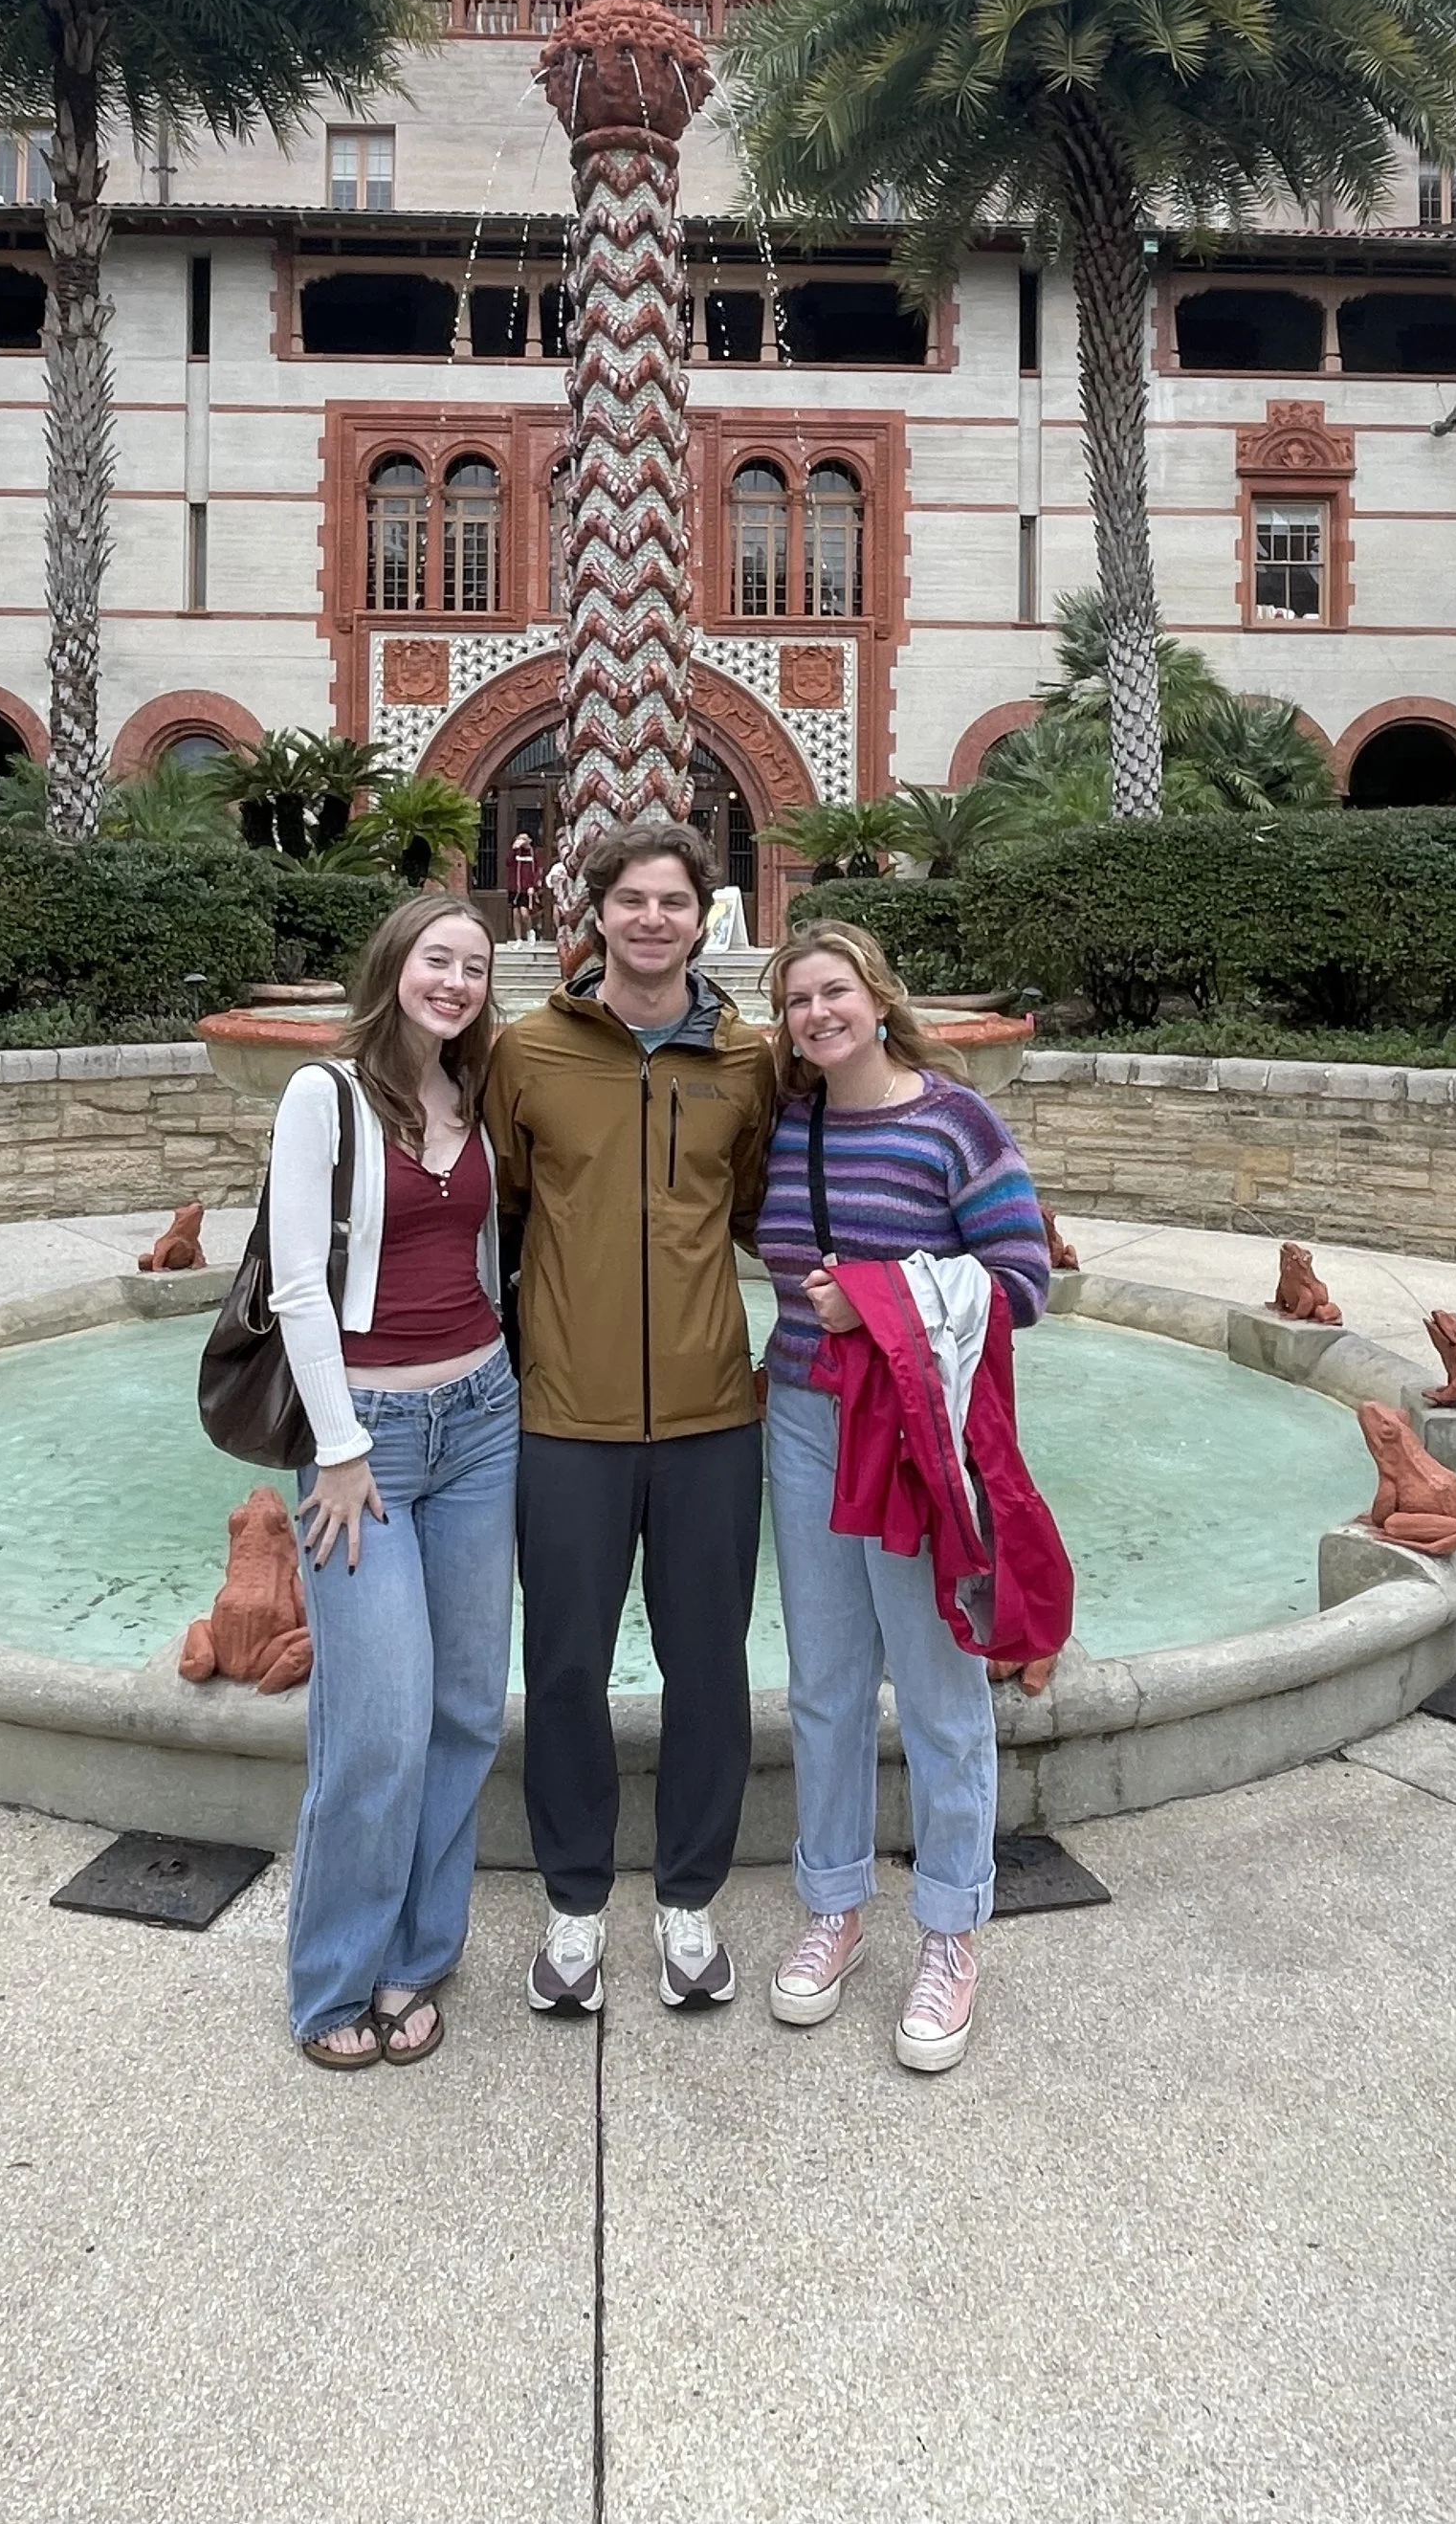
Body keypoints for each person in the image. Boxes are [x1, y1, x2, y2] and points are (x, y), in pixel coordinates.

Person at [486, 817, 779, 2017]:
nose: (651, 920)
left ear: (700, 914)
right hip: (565, 1418)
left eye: (674, 901)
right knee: (560, 1668)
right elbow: (494, 1221)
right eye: (630, 901)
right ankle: (570, 1908)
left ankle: (688, 1902)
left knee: (707, 1667)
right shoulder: (525, 1052)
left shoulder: (750, 1062)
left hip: (713, 1414)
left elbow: (772, 1210)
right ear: (593, 912)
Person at [753, 920, 1054, 2074]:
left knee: (935, 1690)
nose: (817, 1015)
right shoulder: (792, 1123)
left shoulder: (954, 1122)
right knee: (824, 1683)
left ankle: (949, 1931)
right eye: (796, 1003)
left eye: (834, 992)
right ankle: (832, 1906)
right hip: (803, 1420)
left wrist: (873, 1299)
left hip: (916, 1435)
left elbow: (1024, 1281)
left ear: (878, 997)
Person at [268, 891, 518, 2071]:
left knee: (465, 1709)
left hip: (483, 1419)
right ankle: (332, 1981)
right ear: (394, 966)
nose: (455, 982)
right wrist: (340, 1445)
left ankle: (420, 1953)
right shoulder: (325, 1095)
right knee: (375, 1722)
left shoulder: (474, 1096)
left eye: (472, 966)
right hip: (363, 1442)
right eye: (437, 960)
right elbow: (295, 1287)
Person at [508, 828, 539, 944]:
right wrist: (513, 849)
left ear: (529, 840)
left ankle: (530, 931)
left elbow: (537, 871)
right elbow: (508, 862)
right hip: (515, 887)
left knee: (524, 913)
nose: (522, 841)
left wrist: (533, 886)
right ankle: (518, 939)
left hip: (527, 888)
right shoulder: (516, 852)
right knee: (515, 914)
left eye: (524, 839)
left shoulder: (533, 853)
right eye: (520, 838)